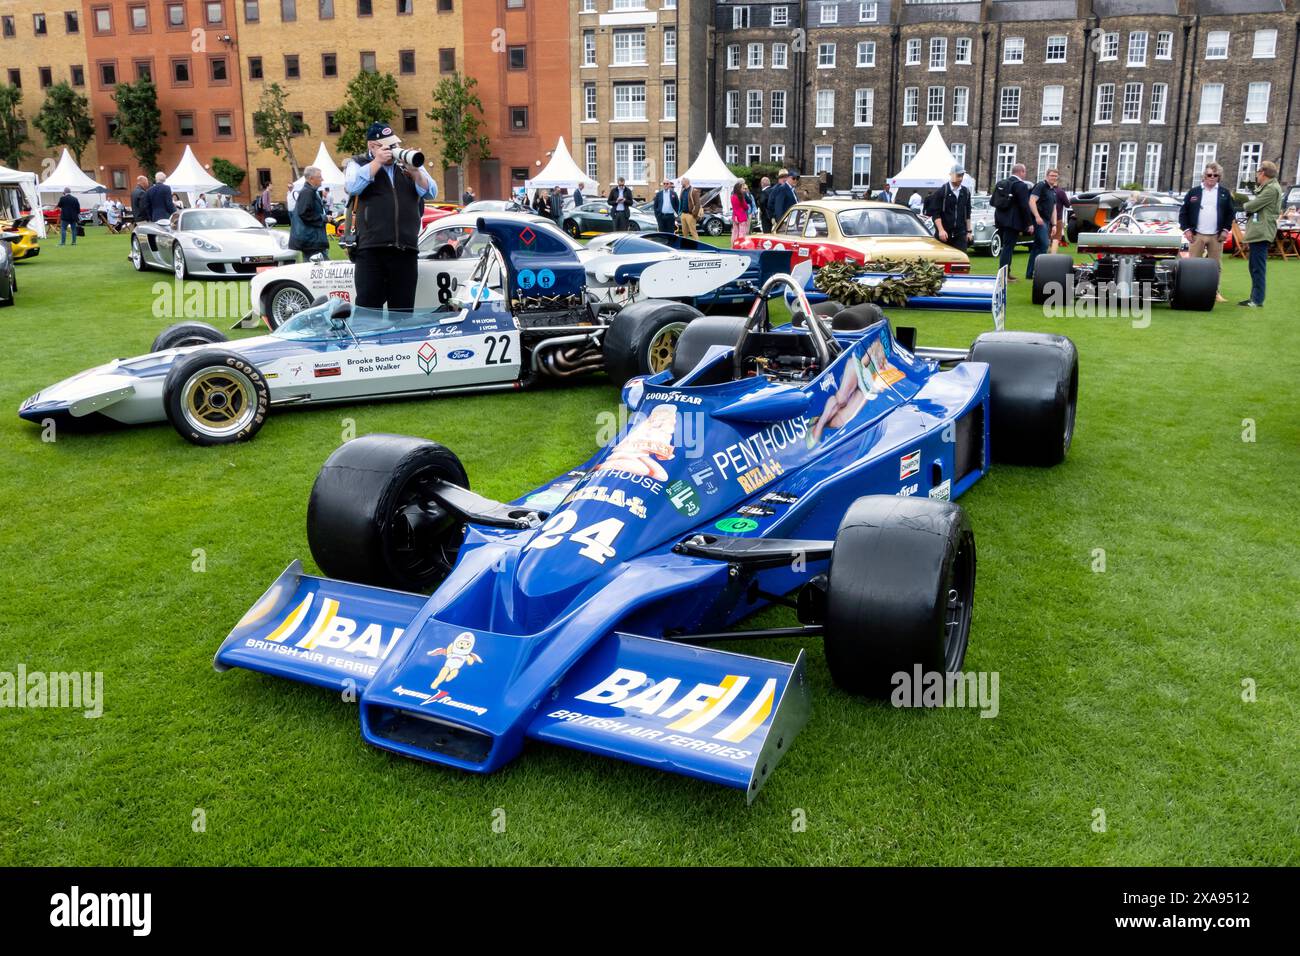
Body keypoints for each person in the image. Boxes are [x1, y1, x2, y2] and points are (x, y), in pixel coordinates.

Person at [343, 120, 438, 311]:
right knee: (369, 310)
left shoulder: (407, 163)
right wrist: (377, 162)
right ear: (373, 146)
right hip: (371, 250)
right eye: (389, 146)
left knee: (402, 311)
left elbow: (431, 192)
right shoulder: (358, 163)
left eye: (395, 145)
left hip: (405, 250)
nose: (394, 149)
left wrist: (415, 172)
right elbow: (352, 187)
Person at [1179, 161, 1234, 303]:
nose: (1212, 177)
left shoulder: (1224, 193)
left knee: (1215, 266)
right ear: (1204, 176)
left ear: (1219, 177)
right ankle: (1191, 290)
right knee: (1193, 265)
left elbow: (1230, 213)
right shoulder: (1194, 192)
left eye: (1215, 175)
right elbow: (1183, 212)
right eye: (1209, 174)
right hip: (1197, 234)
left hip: (1216, 236)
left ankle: (1215, 292)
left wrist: (1225, 230)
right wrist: (1186, 230)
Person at [1240, 160, 1283, 308]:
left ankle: (1257, 300)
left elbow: (1254, 205)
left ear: (1263, 173)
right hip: (1260, 231)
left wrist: (1242, 205)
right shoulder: (1268, 187)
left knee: (1258, 267)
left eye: (1258, 172)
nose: (1257, 175)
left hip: (1262, 232)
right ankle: (1254, 298)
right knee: (1254, 266)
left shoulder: (1271, 189)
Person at [993, 163, 1032, 280]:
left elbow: (993, 202)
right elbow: (1024, 206)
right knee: (1008, 248)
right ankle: (1004, 274)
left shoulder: (1001, 183)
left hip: (1000, 220)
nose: (1025, 174)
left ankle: (1005, 272)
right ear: (1021, 172)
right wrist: (1029, 223)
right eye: (1024, 172)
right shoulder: (1021, 185)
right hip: (1013, 222)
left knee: (1006, 247)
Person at [924, 164, 972, 253]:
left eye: (962, 175)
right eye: (958, 176)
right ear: (952, 175)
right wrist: (941, 230)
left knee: (961, 262)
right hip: (945, 233)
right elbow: (936, 213)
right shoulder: (942, 191)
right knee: (943, 262)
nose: (960, 178)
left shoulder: (966, 192)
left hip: (960, 233)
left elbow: (968, 213)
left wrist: (969, 231)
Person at [289, 165, 330, 262]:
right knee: (319, 269)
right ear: (311, 179)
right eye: (319, 177)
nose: (322, 179)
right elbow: (305, 213)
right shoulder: (307, 192)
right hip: (311, 241)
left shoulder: (310, 191)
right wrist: (323, 218)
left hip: (312, 240)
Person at [1026, 168, 1059, 280]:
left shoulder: (1053, 190)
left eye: (1055, 176)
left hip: (1047, 222)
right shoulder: (1040, 186)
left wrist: (1054, 225)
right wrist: (1037, 216)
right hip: (1039, 221)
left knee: (1037, 247)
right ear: (1047, 176)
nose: (1053, 177)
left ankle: (1030, 273)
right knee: (1045, 245)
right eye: (1052, 175)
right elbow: (1031, 201)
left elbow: (1054, 209)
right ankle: (1040, 272)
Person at [1049, 180, 1071, 253]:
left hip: (1046, 218)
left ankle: (1044, 255)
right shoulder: (1060, 192)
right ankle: (1052, 255)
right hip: (1057, 218)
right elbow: (1067, 205)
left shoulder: (1045, 190)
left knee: (1047, 237)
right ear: (1057, 182)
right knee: (1055, 238)